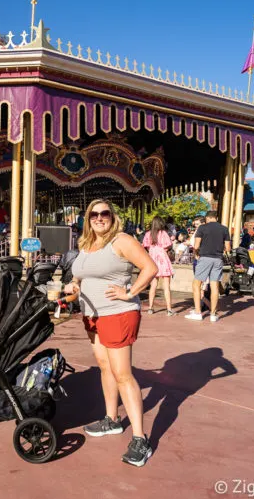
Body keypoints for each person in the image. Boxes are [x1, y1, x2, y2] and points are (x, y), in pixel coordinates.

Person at [65, 199, 158, 467]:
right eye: (94, 214)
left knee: (122, 374)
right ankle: (112, 419)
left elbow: (150, 268)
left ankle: (140, 438)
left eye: (104, 213)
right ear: (88, 218)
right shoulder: (85, 244)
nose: (99, 218)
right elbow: (80, 276)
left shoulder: (121, 240)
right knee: (105, 368)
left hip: (117, 313)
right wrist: (73, 286)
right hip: (91, 315)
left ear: (112, 216)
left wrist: (129, 292)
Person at [186, 211, 230, 323]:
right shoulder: (224, 229)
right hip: (218, 259)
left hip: (205, 258)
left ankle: (197, 312)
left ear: (207, 218)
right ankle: (213, 314)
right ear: (216, 217)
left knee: (196, 284)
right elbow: (228, 248)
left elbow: (196, 245)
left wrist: (197, 253)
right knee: (214, 285)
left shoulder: (202, 228)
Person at [143, 216, 175, 316]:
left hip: (152, 259)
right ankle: (169, 309)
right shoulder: (163, 233)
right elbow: (168, 245)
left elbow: (145, 246)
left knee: (153, 286)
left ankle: (150, 308)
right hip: (163, 259)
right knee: (166, 286)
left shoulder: (148, 234)